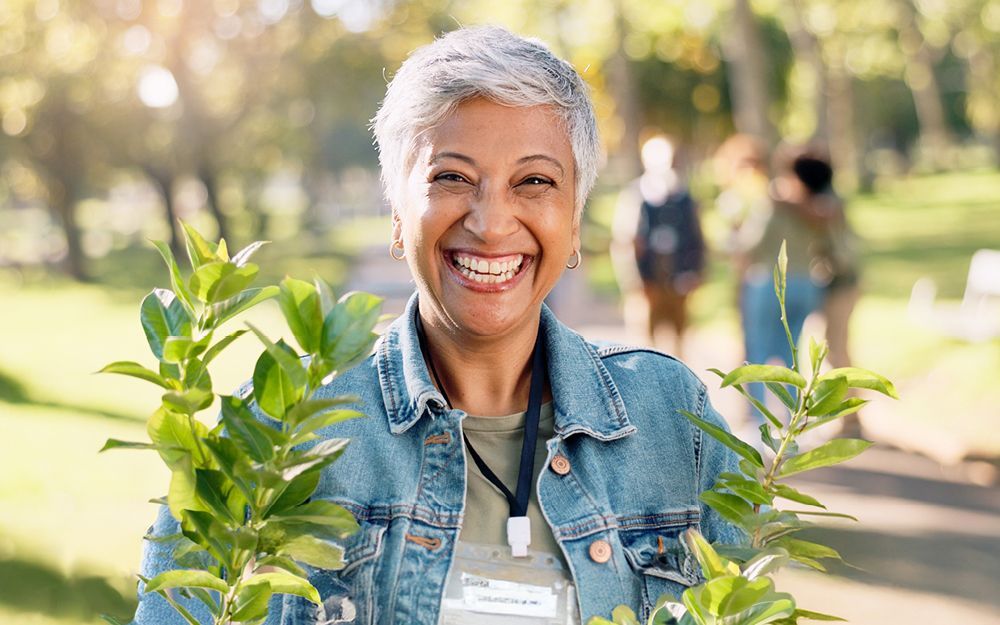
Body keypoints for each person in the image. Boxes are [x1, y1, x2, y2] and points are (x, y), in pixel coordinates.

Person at [132, 26, 742, 625]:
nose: (492, 221)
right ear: (397, 215)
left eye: (534, 181)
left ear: (575, 219)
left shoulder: (671, 421)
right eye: (451, 177)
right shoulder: (276, 434)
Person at [739, 144, 833, 423]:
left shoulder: (775, 202)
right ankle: (793, 419)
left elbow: (752, 242)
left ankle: (757, 420)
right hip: (807, 281)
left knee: (756, 353)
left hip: (771, 281)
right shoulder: (821, 204)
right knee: (792, 352)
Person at [611, 136, 706, 357]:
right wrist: (634, 280)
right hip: (647, 284)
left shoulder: (684, 198)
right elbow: (626, 242)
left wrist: (694, 272)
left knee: (680, 347)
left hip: (678, 281)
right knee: (643, 349)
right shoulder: (635, 197)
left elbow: (697, 238)